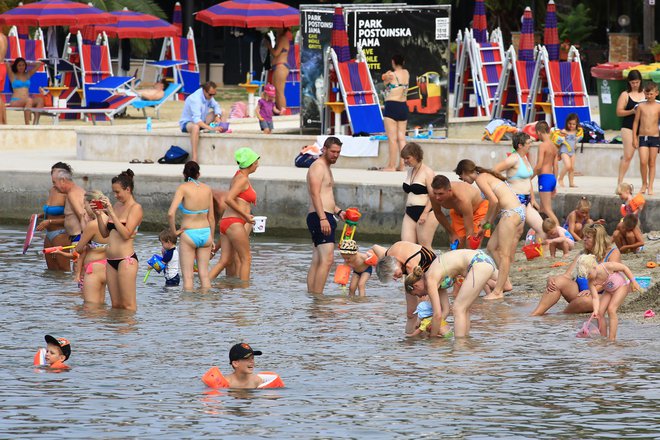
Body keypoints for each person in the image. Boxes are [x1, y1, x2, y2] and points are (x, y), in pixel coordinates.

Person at [454, 159, 524, 300]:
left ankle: (498, 292)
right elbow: (497, 204)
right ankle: (505, 283)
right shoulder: (485, 176)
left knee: (504, 255)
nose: (463, 181)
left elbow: (494, 201)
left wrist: (485, 220)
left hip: (511, 213)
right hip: (513, 211)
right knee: (492, 247)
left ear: (465, 172)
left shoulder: (480, 178)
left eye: (462, 178)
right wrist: (487, 225)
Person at [531, 224, 621, 315]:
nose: (584, 239)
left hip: (603, 294)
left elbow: (612, 279)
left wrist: (593, 290)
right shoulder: (582, 254)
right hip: (580, 292)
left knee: (584, 301)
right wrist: (551, 278)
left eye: (588, 237)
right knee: (556, 282)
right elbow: (567, 275)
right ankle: (536, 314)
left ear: (598, 240)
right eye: (584, 236)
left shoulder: (613, 253)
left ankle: (561, 315)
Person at [372, 241, 452, 337]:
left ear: (395, 265)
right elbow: (375, 246)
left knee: (425, 314)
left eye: (394, 275)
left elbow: (422, 299)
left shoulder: (411, 266)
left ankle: (430, 338)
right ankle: (411, 342)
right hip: (420, 274)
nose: (395, 278)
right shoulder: (386, 257)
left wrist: (420, 324)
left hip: (432, 275)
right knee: (411, 313)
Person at [96, 169, 143, 310]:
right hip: (111, 261)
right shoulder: (116, 206)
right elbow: (104, 234)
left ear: (127, 189)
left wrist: (110, 213)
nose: (115, 196)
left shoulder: (136, 208)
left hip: (126, 260)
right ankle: (115, 331)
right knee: (116, 306)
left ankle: (130, 331)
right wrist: (99, 214)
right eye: (113, 192)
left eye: (117, 192)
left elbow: (126, 234)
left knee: (128, 306)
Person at [210, 149, 259, 282]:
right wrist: (245, 216)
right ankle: (244, 292)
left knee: (225, 260)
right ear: (250, 163)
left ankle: (204, 284)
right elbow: (229, 198)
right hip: (235, 221)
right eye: (256, 162)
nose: (258, 164)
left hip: (227, 221)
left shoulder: (239, 176)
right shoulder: (242, 179)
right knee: (246, 259)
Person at [306, 137, 345, 294]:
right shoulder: (318, 167)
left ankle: (312, 296)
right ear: (324, 149)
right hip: (319, 216)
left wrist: (339, 211)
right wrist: (323, 218)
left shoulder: (326, 167)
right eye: (333, 151)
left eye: (338, 152)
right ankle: (318, 297)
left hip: (324, 215)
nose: (335, 155)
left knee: (318, 259)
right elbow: (315, 194)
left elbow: (325, 196)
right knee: (327, 260)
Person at [54, 191, 109, 303]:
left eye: (85, 205)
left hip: (92, 269)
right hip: (106, 267)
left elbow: (78, 249)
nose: (84, 208)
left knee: (89, 307)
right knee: (101, 304)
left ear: (91, 203)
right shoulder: (111, 220)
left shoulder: (93, 225)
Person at [168, 161, 214, 290]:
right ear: (198, 174)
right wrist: (211, 237)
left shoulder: (183, 188)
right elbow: (211, 217)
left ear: (184, 173)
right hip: (206, 233)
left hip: (189, 233)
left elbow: (171, 213)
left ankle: (188, 309)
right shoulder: (207, 189)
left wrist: (174, 233)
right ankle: (206, 308)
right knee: (204, 275)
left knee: (188, 277)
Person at [576, 254, 640, 341]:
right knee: (599, 313)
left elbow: (624, 268)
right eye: (585, 276)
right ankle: (603, 337)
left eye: (588, 274)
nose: (588, 277)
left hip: (622, 286)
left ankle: (612, 338)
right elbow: (595, 298)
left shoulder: (607, 266)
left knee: (611, 309)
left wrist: (633, 281)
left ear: (594, 267)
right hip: (609, 290)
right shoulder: (591, 281)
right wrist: (595, 310)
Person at [493, 132, 545, 240]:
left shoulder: (524, 158)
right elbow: (495, 170)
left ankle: (538, 256)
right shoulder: (513, 159)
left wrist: (533, 198)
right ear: (520, 145)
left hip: (527, 200)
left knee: (542, 230)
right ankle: (508, 255)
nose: (530, 145)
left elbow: (528, 180)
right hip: (516, 200)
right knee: (517, 231)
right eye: (528, 143)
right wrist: (504, 184)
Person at [429, 175, 489, 248]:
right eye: (435, 193)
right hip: (458, 213)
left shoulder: (462, 199)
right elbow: (438, 214)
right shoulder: (433, 196)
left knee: (473, 246)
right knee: (457, 246)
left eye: (441, 194)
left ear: (449, 191)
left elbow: (469, 230)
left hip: (479, 210)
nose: (437, 197)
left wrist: (469, 251)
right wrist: (452, 233)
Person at [400, 142, 439, 248]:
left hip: (426, 212)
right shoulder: (410, 171)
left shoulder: (428, 172)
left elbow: (434, 196)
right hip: (410, 212)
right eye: (404, 158)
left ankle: (435, 264)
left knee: (425, 247)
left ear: (416, 155)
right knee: (407, 246)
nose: (405, 161)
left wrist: (425, 213)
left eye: (407, 158)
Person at [36, 162, 72, 271]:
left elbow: (71, 218)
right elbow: (53, 210)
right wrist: (40, 216)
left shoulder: (69, 193)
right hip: (49, 234)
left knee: (64, 269)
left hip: (61, 234)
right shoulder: (52, 190)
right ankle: (52, 288)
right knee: (51, 270)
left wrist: (49, 222)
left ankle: (67, 288)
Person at [178, 81, 224, 162]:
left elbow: (216, 105)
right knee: (196, 127)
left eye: (214, 94)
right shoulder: (195, 99)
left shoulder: (209, 96)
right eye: (210, 94)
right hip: (188, 123)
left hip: (202, 121)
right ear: (204, 91)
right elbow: (196, 120)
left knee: (222, 111)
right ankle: (194, 158)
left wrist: (218, 116)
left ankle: (217, 129)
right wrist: (211, 128)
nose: (212, 96)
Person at [381, 54, 409, 171]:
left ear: (393, 62)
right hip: (403, 105)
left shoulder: (392, 75)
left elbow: (384, 81)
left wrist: (386, 75)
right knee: (401, 138)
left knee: (392, 138)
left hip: (392, 105)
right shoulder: (406, 73)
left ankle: (391, 166)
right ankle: (402, 165)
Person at [616, 69, 645, 185]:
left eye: (637, 82)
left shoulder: (644, 94)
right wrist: (632, 111)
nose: (635, 85)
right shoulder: (625, 95)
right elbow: (619, 112)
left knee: (644, 157)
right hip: (628, 127)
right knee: (628, 155)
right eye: (632, 83)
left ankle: (645, 183)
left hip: (643, 127)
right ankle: (620, 181)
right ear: (629, 82)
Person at [632, 81, 660, 195]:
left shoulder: (658, 106)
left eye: (651, 94)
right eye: (647, 94)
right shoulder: (641, 106)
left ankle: (651, 186)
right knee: (643, 161)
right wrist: (634, 137)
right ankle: (644, 183)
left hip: (655, 137)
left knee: (652, 162)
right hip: (643, 137)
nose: (649, 96)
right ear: (644, 93)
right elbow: (636, 122)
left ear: (656, 93)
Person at [533, 121, 560, 225]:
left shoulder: (542, 146)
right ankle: (540, 230)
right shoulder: (554, 147)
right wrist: (554, 183)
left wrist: (529, 178)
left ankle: (560, 230)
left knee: (548, 210)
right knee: (542, 209)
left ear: (539, 132)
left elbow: (539, 165)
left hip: (544, 178)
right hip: (551, 178)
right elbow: (556, 167)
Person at [5, 57, 45, 125]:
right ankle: (27, 125)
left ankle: (35, 123)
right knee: (29, 100)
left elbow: (39, 65)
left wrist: (29, 63)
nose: (21, 67)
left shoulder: (27, 74)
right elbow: (6, 64)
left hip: (27, 101)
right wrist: (14, 64)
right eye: (19, 65)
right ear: (16, 66)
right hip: (16, 100)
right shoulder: (12, 75)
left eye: (23, 65)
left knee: (40, 100)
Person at [557, 113, 582, 188]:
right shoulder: (564, 131)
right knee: (568, 166)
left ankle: (571, 183)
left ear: (577, 124)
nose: (571, 126)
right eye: (569, 124)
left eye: (574, 124)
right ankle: (560, 179)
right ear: (566, 123)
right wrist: (558, 152)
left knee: (571, 168)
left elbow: (576, 141)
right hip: (564, 151)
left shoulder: (576, 132)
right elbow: (559, 142)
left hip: (572, 152)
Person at [269, 28, 292, 112]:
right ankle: (278, 110)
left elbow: (276, 53)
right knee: (275, 91)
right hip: (277, 66)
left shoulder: (283, 38)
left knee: (279, 91)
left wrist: (268, 45)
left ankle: (282, 111)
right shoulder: (279, 38)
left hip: (281, 66)